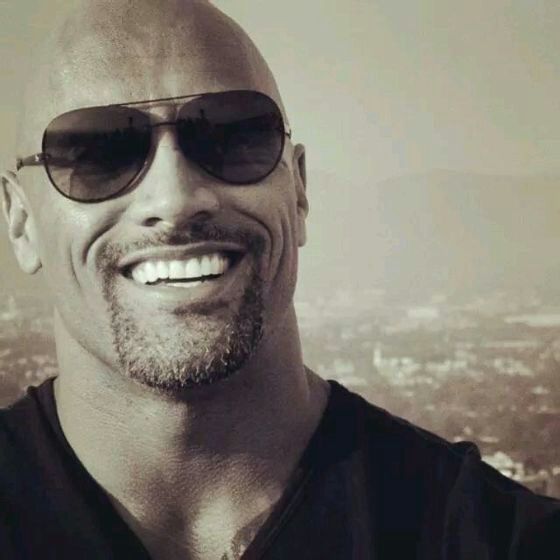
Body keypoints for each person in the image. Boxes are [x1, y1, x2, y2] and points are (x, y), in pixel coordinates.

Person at [0, 1, 558, 558]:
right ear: (21, 220)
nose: (175, 198)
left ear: (299, 189)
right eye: (98, 154)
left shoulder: (507, 541)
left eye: (229, 136)